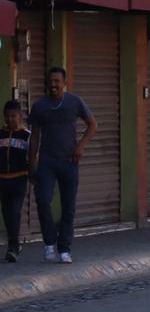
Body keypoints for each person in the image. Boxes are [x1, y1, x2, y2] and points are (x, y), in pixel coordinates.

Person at [27, 65, 95, 263]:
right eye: (51, 81)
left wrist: (80, 146)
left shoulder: (75, 102)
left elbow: (93, 124)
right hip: (47, 162)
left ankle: (64, 249)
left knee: (68, 207)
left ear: (64, 83)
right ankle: (49, 243)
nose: (53, 85)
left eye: (57, 81)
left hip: (69, 162)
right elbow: (35, 137)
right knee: (42, 199)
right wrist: (32, 163)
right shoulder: (40, 106)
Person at [0, 99, 29, 262]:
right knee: (6, 213)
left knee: (14, 211)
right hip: (2, 180)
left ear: (20, 116)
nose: (10, 119)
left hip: (19, 179)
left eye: (13, 116)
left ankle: (12, 248)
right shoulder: (0, 134)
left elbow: (33, 157)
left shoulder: (26, 135)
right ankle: (15, 244)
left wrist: (33, 175)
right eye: (7, 116)